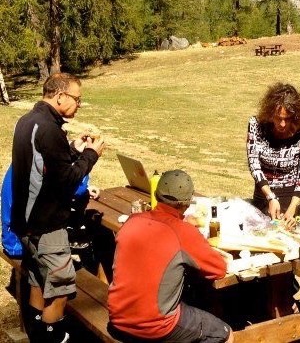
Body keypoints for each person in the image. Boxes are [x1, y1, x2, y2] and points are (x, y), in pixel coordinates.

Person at [10, 72, 105, 343]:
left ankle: (37, 333)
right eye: (77, 99)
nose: (79, 105)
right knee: (60, 289)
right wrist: (91, 154)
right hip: (47, 224)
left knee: (39, 283)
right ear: (60, 96)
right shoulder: (49, 129)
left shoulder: (29, 121)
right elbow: (66, 180)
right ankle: (52, 337)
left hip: (27, 222)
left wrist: (74, 148)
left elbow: (47, 166)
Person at [107, 169, 233, 343]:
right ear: (187, 204)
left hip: (118, 319)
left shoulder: (132, 221)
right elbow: (218, 270)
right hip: (155, 326)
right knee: (225, 334)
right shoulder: (183, 232)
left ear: (157, 195)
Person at [246, 82, 300, 229]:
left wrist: (292, 209)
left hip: (290, 201)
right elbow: (254, 165)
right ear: (270, 113)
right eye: (278, 118)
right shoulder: (256, 126)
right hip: (263, 198)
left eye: (288, 118)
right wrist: (270, 196)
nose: (282, 124)